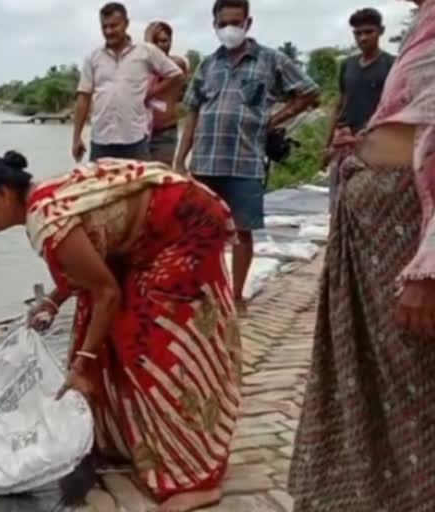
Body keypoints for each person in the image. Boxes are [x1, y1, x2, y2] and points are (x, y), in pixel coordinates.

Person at [0, 151, 242, 512]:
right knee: (93, 329)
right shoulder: (42, 203)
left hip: (185, 226)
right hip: (152, 232)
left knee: (150, 346)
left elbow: (106, 292)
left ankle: (197, 477)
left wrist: (83, 362)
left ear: (2, 194)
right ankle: (125, 437)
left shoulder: (49, 221)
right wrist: (54, 302)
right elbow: (87, 265)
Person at [289, 1, 435, 510]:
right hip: (377, 240)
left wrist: (427, 266)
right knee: (382, 393)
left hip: (407, 245)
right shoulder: (425, 21)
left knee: (415, 391)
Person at [174, 0, 319, 313]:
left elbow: (309, 92)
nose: (230, 29)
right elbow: (193, 113)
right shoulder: (208, 65)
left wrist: (274, 119)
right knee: (200, 231)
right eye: (223, 23)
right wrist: (179, 160)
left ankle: (237, 295)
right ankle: (203, 290)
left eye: (236, 22)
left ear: (248, 23)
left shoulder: (270, 60)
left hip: (245, 160)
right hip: (205, 161)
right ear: (214, 25)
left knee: (242, 230)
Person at [71, 2, 184, 163]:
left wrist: (151, 92)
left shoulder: (146, 51)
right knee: (101, 187)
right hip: (101, 140)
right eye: (105, 27)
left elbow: (176, 75)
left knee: (139, 186)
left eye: (114, 26)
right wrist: (76, 138)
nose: (109, 31)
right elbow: (83, 97)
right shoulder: (93, 57)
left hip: (135, 140)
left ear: (126, 23)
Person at [323, 8, 395, 204]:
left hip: (375, 144)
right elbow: (340, 104)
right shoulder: (348, 65)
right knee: (339, 200)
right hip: (345, 142)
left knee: (370, 201)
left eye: (368, 32)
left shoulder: (392, 65)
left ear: (380, 31)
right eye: (358, 33)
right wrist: (327, 145)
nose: (363, 38)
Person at [144, 21, 190, 165]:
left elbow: (165, 68)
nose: (159, 45)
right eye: (155, 41)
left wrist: (148, 46)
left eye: (163, 41)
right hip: (140, 134)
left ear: (171, 42)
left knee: (160, 179)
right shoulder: (141, 64)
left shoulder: (176, 64)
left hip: (164, 134)